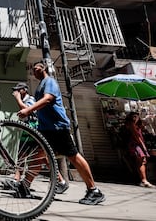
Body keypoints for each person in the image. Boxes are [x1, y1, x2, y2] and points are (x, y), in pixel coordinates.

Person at [18, 61, 105, 205]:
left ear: (43, 68)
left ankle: (94, 190)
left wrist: (28, 110)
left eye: (36, 68)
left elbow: (48, 99)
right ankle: (24, 186)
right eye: (33, 69)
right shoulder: (41, 84)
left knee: (73, 156)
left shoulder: (49, 81)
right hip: (46, 129)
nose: (34, 71)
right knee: (38, 155)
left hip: (57, 127)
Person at [3, 82, 69, 195]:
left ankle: (59, 181)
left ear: (24, 90)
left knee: (38, 158)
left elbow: (31, 111)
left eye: (19, 90)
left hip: (34, 132)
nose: (17, 92)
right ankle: (19, 181)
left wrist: (18, 100)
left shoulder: (31, 99)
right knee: (27, 157)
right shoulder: (26, 100)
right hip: (27, 132)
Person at [124, 111, 154, 187]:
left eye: (136, 116)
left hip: (136, 145)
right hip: (136, 145)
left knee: (140, 162)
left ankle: (143, 179)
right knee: (141, 161)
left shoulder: (135, 125)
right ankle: (144, 180)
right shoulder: (131, 125)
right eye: (133, 116)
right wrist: (143, 147)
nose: (135, 118)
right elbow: (137, 137)